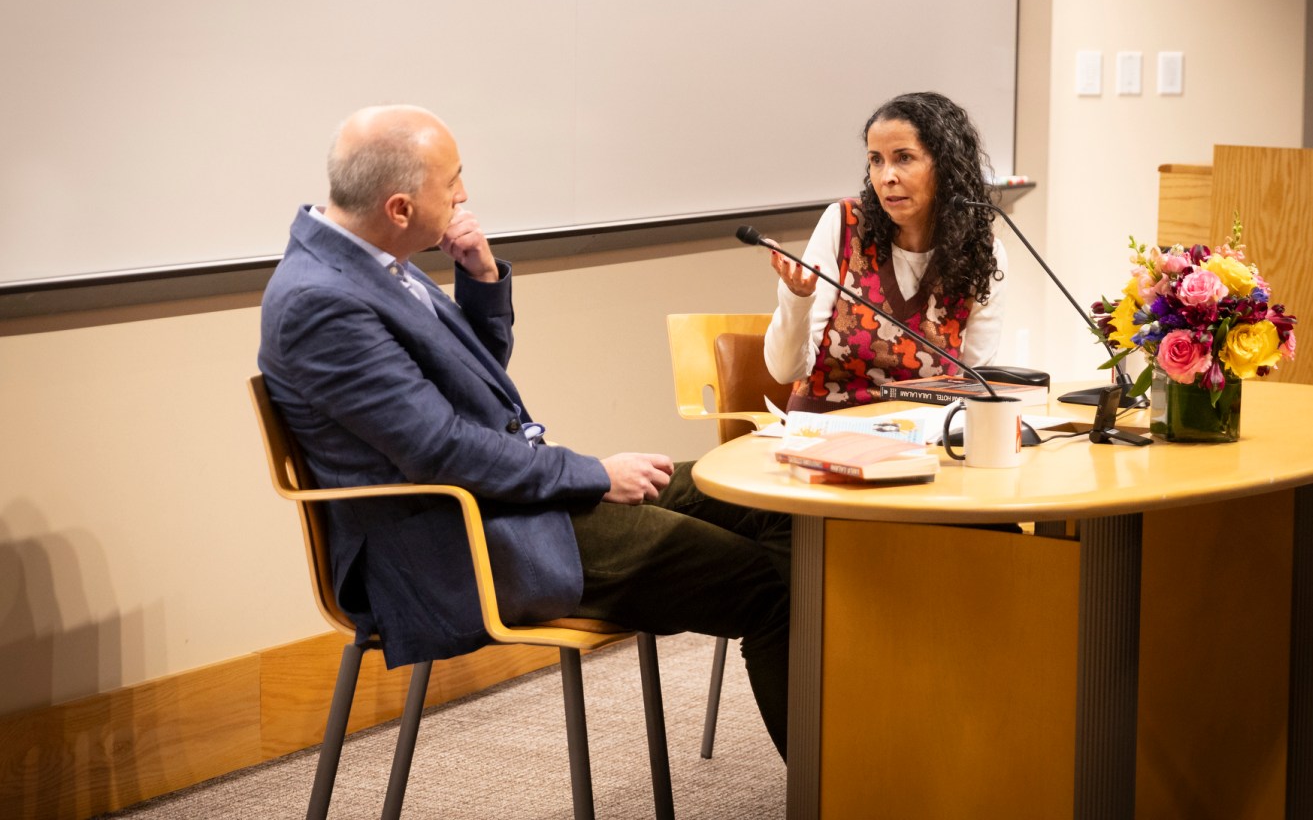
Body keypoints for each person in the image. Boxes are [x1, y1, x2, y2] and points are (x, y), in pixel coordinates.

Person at [258, 105, 790, 756]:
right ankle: (838, 793)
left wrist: (480, 279)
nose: (463, 195)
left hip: (510, 500)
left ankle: (863, 730)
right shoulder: (323, 301)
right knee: (771, 593)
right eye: (452, 182)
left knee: (770, 505)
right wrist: (594, 474)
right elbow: (438, 448)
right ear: (399, 208)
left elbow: (467, 386)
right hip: (463, 540)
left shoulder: (370, 261)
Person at [762, 91, 1007, 411]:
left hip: (923, 443)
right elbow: (784, 372)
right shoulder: (846, 225)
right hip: (825, 433)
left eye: (903, 158)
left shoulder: (980, 253)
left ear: (946, 166)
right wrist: (797, 300)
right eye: (876, 160)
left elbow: (977, 384)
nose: (887, 176)